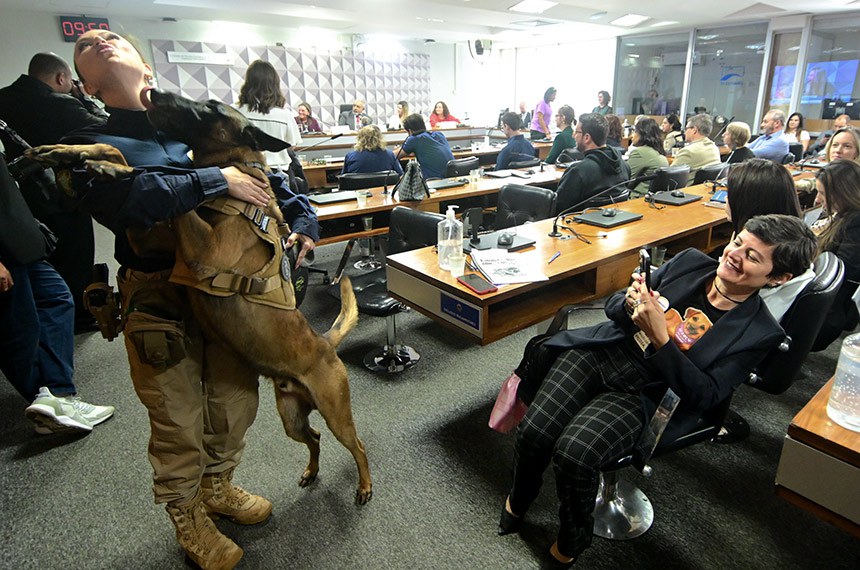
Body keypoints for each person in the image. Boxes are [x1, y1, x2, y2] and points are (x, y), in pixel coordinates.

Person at [68, 29, 320, 569]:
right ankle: (187, 513)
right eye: (86, 44)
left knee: (234, 400)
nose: (99, 39)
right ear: (86, 83)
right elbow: (130, 202)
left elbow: (278, 181)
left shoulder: (190, 125)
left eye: (111, 35)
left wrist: (304, 223)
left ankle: (218, 486)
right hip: (159, 296)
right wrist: (216, 179)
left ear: (146, 67)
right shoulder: (92, 141)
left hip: (232, 298)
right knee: (176, 414)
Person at [500, 214, 817, 566]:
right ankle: (520, 496)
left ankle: (574, 536)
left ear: (778, 278)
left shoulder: (758, 332)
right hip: (605, 353)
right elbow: (614, 307)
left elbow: (704, 396)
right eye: (738, 242)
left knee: (574, 454)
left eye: (753, 257)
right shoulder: (690, 262)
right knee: (535, 432)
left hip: (648, 391)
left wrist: (660, 338)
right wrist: (631, 303)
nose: (734, 254)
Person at [0, 155, 114, 435]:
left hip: (14, 236)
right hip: (4, 251)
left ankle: (57, 397)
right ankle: (50, 401)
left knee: (57, 298)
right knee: (20, 327)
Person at [0, 52, 108, 333]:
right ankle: (80, 317)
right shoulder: (60, 102)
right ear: (61, 78)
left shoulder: (4, 97)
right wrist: (83, 97)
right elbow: (105, 127)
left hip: (21, 196)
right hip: (63, 192)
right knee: (76, 253)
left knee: (43, 256)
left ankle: (48, 313)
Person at [723, 159, 810, 323]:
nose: (726, 201)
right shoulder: (792, 246)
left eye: (730, 195)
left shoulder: (760, 274)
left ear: (747, 204)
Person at [811, 160, 860, 350]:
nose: (818, 199)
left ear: (842, 193)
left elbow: (843, 270)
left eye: (822, 193)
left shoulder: (855, 221)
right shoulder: (840, 214)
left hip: (825, 310)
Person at [234, 60, 302, 174]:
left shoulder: (234, 112)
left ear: (248, 82)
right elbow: (291, 146)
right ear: (275, 85)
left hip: (244, 174)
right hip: (278, 174)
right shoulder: (285, 115)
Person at [554, 112, 630, 213]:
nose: (573, 136)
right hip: (615, 225)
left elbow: (557, 210)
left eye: (576, 132)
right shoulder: (624, 166)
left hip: (578, 227)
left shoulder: (577, 172)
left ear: (587, 137)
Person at [394, 113, 454, 180]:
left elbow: (394, 156)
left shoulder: (414, 139)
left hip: (433, 181)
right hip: (452, 178)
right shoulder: (439, 134)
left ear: (410, 131)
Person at [672, 113, 721, 185]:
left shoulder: (688, 151)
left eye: (686, 128)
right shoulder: (714, 147)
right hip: (704, 189)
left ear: (694, 130)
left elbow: (669, 177)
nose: (685, 132)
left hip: (684, 192)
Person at [626, 118, 668, 198]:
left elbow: (625, 181)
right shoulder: (659, 152)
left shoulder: (640, 152)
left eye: (635, 131)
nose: (632, 135)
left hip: (635, 200)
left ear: (642, 134)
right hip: (651, 199)